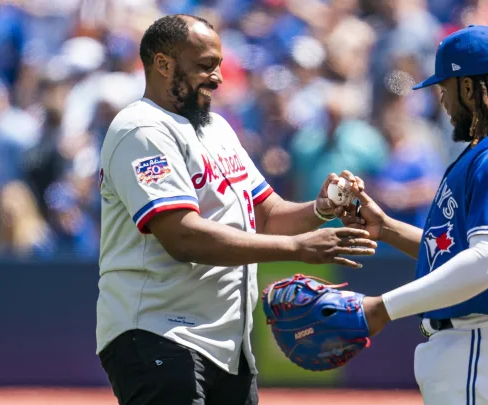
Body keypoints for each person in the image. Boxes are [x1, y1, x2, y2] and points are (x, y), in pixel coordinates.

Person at [95, 14, 377, 405]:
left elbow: (268, 215)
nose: (218, 77)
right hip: (159, 335)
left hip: (226, 346)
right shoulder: (143, 129)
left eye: (218, 65)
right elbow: (182, 236)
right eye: (205, 65)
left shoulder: (216, 128)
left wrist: (324, 205)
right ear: (163, 64)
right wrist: (298, 249)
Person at [345, 25, 488, 404]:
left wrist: (383, 308)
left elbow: (487, 263)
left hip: (487, 340)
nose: (441, 101)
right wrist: (387, 229)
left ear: (467, 87)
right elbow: (467, 252)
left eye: (444, 88)